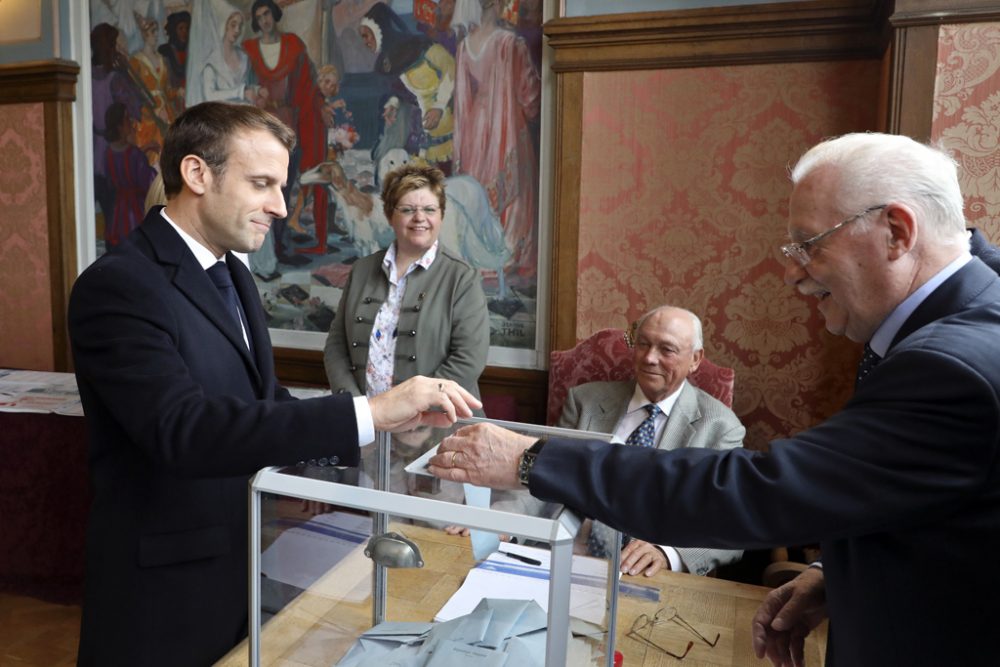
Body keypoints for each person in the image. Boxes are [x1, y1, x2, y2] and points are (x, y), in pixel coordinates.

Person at [428, 133, 1000, 666]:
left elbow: (760, 491)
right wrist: (836, 573)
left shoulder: (950, 366)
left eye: (808, 245)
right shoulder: (972, 307)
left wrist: (532, 458)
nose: (791, 272)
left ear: (897, 232)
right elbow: (911, 496)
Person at [68, 101, 480, 667]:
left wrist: (382, 425)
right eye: (262, 184)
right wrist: (373, 410)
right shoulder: (118, 286)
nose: (281, 207)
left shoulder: (233, 270)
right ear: (196, 174)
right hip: (162, 592)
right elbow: (184, 430)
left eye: (280, 187)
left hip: (242, 563)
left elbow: (262, 405)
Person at [559, 305, 744, 577]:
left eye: (666, 350)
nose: (649, 358)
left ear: (695, 359)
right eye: (642, 344)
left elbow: (732, 526)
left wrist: (669, 553)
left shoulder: (720, 427)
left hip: (651, 572)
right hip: (569, 550)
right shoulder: (584, 401)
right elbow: (541, 474)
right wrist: (507, 524)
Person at [323, 163, 489, 403]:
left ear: (441, 215)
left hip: (435, 427)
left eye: (430, 209)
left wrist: (415, 409)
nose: (420, 218)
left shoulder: (463, 278)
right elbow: (337, 345)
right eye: (408, 209)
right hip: (367, 425)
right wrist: (356, 407)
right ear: (390, 215)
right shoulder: (361, 270)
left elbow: (468, 360)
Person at [453, 0, 541, 279]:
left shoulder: (464, 46)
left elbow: (461, 102)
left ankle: (482, 251)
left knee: (479, 189)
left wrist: (465, 143)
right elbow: (530, 95)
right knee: (512, 187)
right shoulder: (509, 43)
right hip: (506, 124)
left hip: (474, 129)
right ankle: (507, 252)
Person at [243, 0, 326, 261]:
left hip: (289, 123)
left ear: (274, 15)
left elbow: (309, 85)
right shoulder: (249, 50)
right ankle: (261, 250)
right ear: (255, 22)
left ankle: (281, 246)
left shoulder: (293, 45)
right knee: (259, 186)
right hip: (261, 125)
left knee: (284, 187)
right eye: (259, 16)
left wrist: (321, 106)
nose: (264, 20)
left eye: (267, 13)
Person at [360, 2, 457, 173]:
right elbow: (402, 91)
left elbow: (451, 68)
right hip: (417, 127)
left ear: (379, 30)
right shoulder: (388, 60)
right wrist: (394, 104)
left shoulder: (420, 45)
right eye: (363, 37)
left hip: (441, 121)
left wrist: (439, 106)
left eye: (367, 36)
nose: (365, 42)